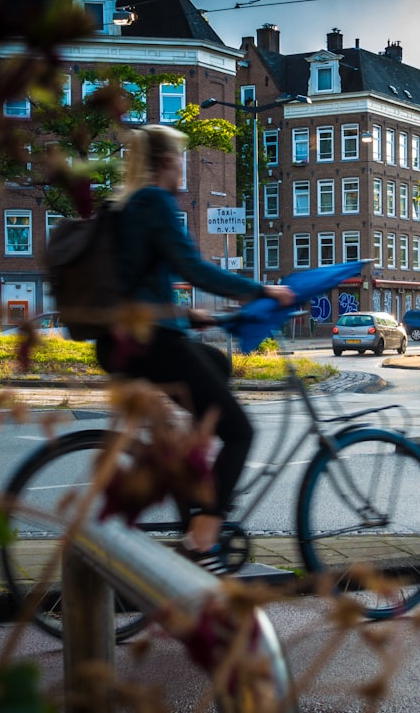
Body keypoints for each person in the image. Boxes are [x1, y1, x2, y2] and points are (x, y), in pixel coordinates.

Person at [100, 124, 295, 574]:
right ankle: (203, 534)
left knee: (216, 363)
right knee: (241, 431)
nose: (184, 165)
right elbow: (192, 266)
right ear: (167, 162)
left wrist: (191, 316)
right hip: (149, 342)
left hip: (130, 337)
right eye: (181, 157)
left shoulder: (126, 203)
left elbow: (139, 281)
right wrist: (261, 290)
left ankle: (190, 479)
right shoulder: (153, 201)